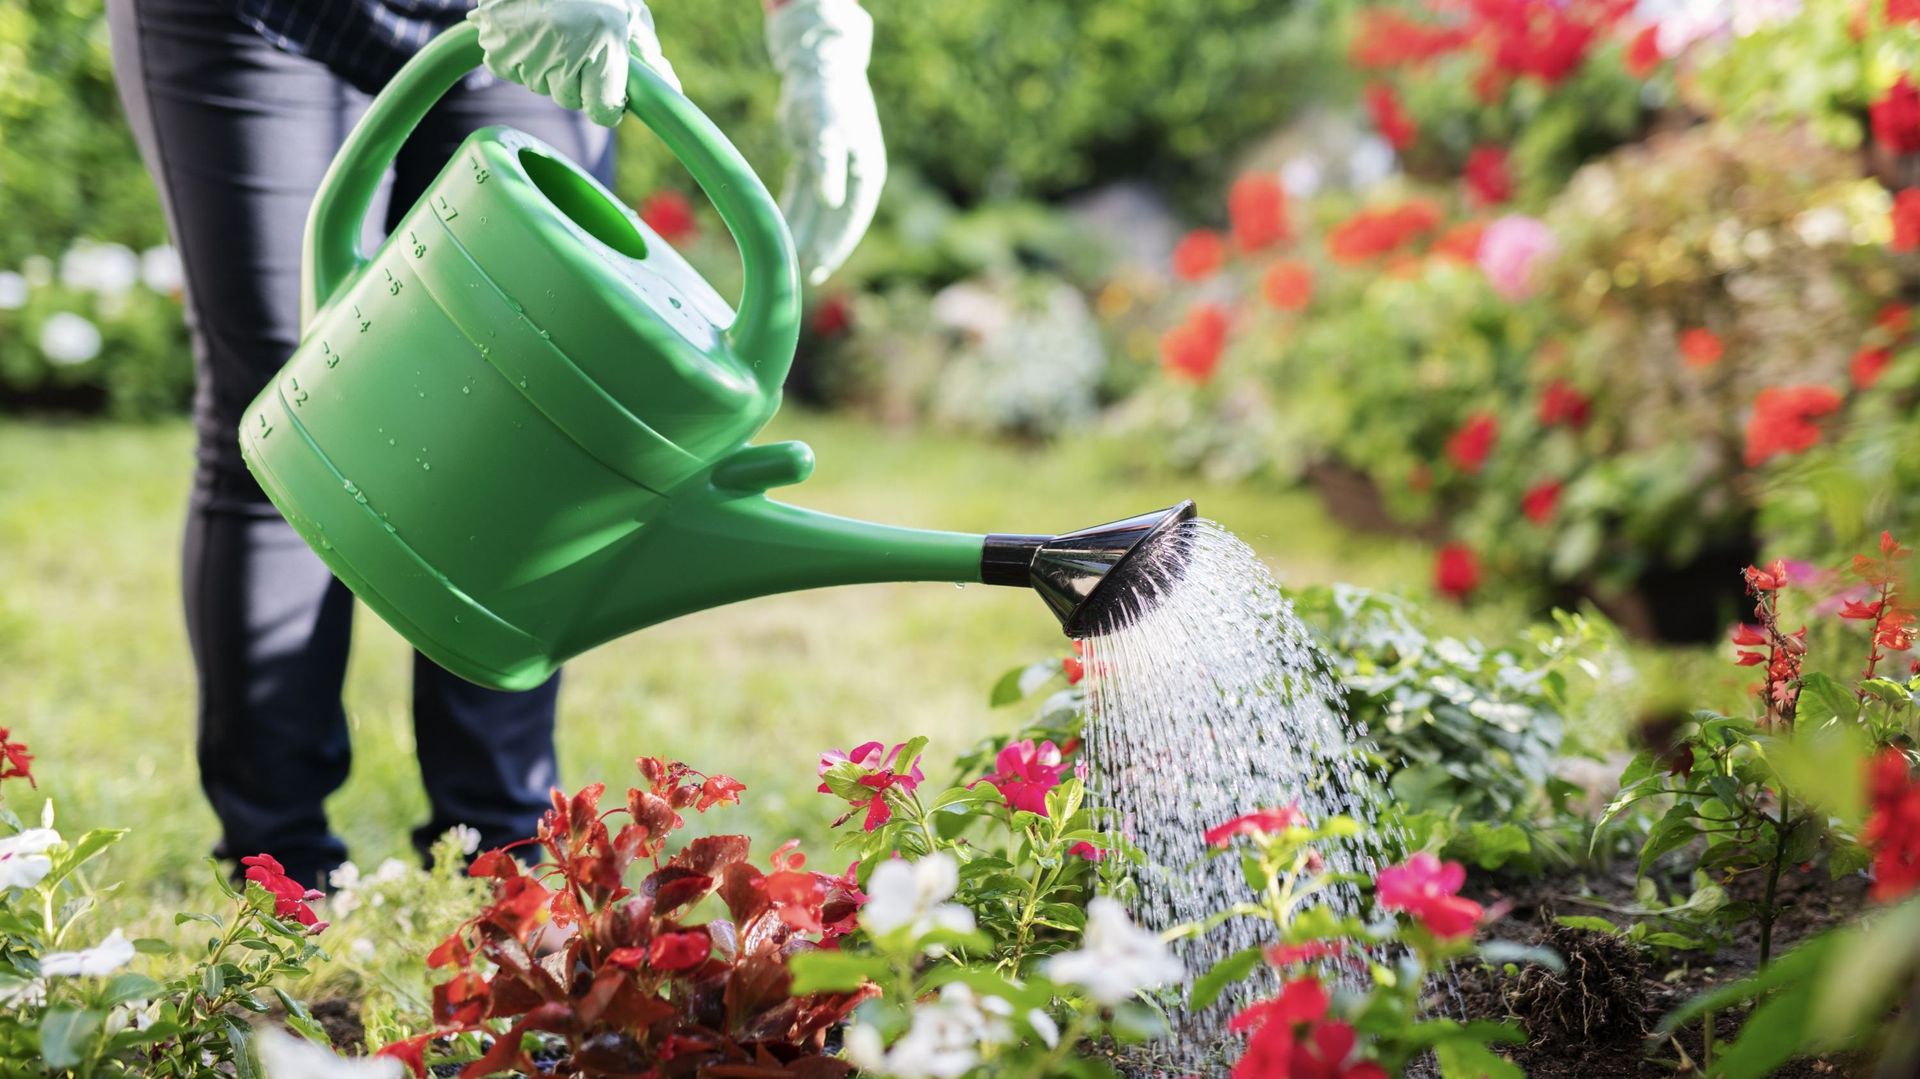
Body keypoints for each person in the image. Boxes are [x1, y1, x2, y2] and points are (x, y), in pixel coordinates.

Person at [106, 0, 884, 888]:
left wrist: (818, 33)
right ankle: (279, 872)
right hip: (260, 20)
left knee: (541, 429)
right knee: (289, 404)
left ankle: (501, 858)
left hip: (550, 20)